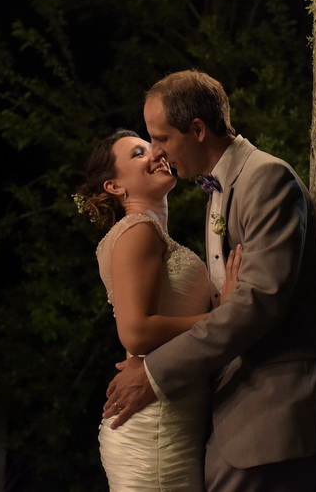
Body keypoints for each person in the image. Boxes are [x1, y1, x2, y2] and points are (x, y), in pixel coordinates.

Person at [102, 70, 316, 491]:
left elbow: (259, 302)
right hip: (234, 414)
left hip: (273, 414)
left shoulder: (265, 179)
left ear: (197, 129)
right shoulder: (216, 190)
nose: (158, 152)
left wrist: (157, 372)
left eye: (160, 138)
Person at [74, 128, 241, 491]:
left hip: (175, 415)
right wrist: (223, 315)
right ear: (115, 187)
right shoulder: (138, 230)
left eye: (153, 146)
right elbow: (136, 332)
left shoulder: (154, 234)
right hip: (155, 426)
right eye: (138, 153)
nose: (155, 154)